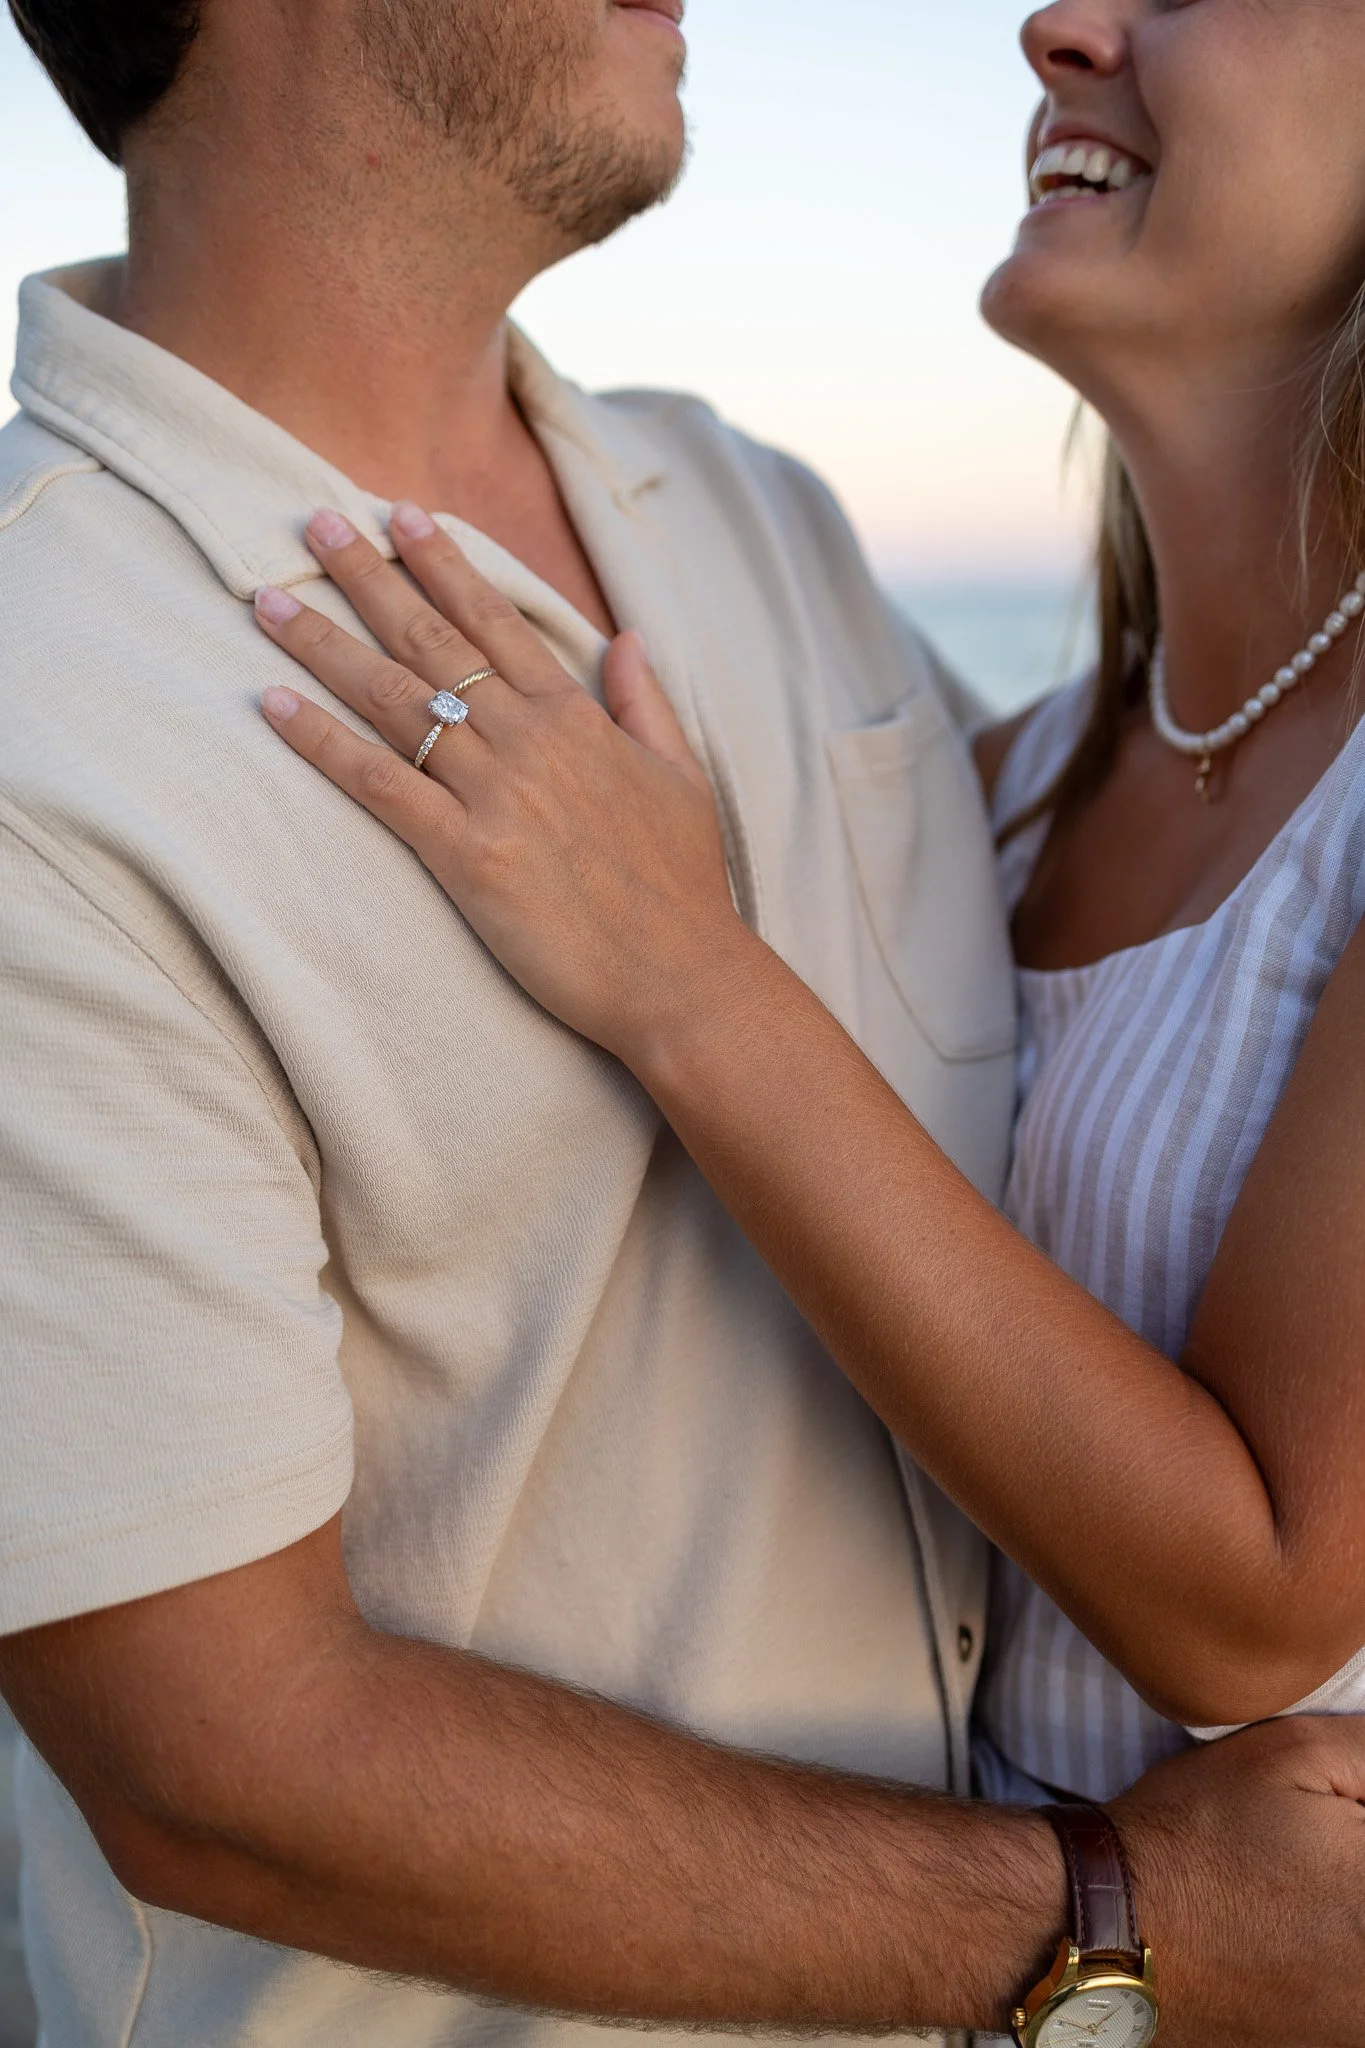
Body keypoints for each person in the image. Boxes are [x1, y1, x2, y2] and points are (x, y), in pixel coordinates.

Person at [0, 3, 1362, 2048]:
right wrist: (1116, 1919)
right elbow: (215, 1762)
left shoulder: (763, 526)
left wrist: (683, 969)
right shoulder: (52, 717)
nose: (1056, 19)